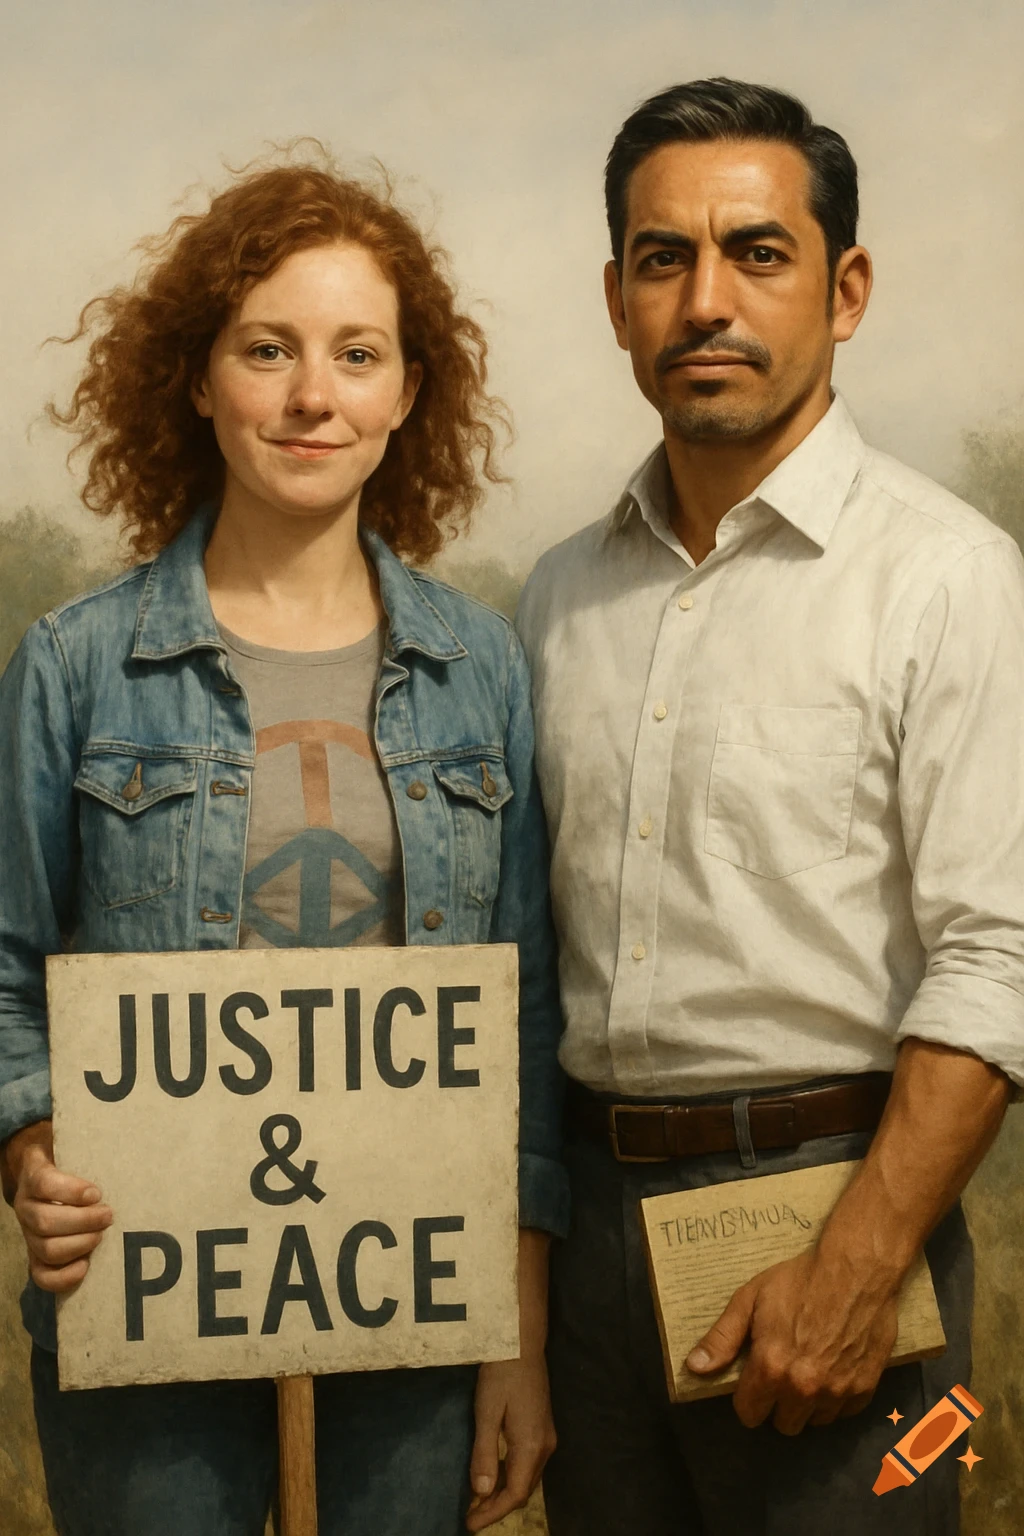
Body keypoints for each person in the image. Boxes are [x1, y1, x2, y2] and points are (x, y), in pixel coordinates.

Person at [0, 153, 567, 1536]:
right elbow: (5, 974)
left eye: (356, 354)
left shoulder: (484, 666)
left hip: (414, 1300)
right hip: (145, 1292)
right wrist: (33, 1154)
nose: (314, 395)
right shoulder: (75, 666)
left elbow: (526, 1016)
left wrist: (519, 1334)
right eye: (268, 350)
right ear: (197, 380)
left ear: (408, 393)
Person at [515, 77, 1024, 1535]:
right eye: (662, 259)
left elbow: (999, 953)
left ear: (845, 289)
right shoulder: (557, 596)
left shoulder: (948, 575)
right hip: (590, 1241)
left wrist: (858, 1265)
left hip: (847, 1220)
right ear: (615, 299)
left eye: (757, 253)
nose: (705, 302)